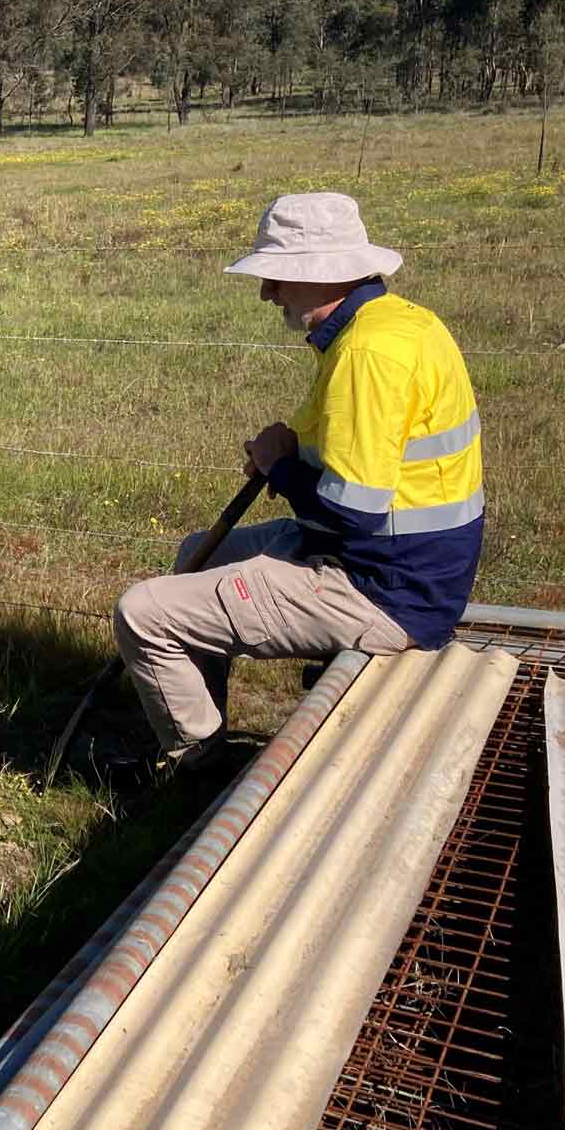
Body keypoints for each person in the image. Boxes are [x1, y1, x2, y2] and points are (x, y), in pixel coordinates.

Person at [113, 192, 484, 770]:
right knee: (195, 554)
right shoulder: (399, 323)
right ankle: (208, 726)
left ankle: (196, 770)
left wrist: (279, 466)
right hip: (391, 563)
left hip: (380, 589)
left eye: (277, 277)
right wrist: (288, 448)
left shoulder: (367, 354)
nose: (267, 293)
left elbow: (350, 513)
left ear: (321, 275)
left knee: (142, 613)